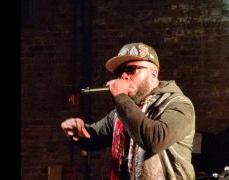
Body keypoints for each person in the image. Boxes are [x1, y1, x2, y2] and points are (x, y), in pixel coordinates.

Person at [61, 42, 196, 180]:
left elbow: (154, 139)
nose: (124, 76)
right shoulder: (123, 111)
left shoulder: (178, 104)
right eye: (120, 72)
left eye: (132, 70)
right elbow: (94, 138)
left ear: (154, 74)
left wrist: (120, 97)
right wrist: (77, 131)